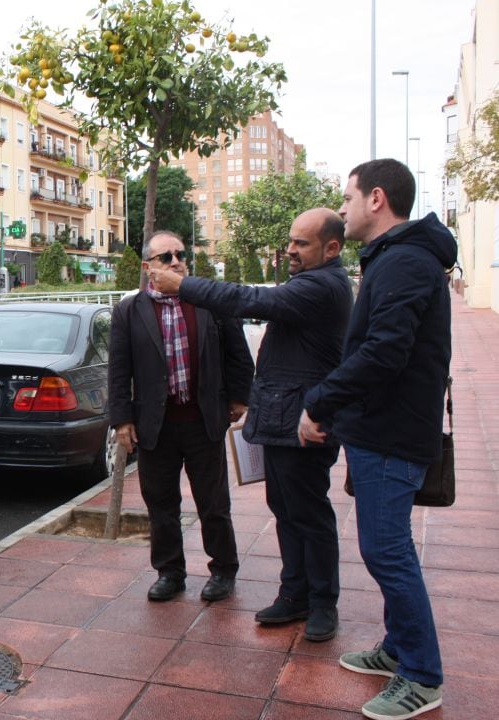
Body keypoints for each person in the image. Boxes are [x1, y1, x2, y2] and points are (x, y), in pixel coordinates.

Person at [148, 208, 352, 643]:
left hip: (304, 421)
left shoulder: (324, 285)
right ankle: (294, 594)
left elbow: (250, 300)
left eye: (301, 244)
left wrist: (183, 285)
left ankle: (322, 605)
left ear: (331, 248)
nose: (290, 250)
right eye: (291, 240)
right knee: (286, 511)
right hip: (281, 419)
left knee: (309, 515)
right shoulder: (308, 281)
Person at [298, 159, 456, 720]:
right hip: (380, 429)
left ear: (376, 199)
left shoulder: (406, 261)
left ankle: (421, 675)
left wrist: (320, 401)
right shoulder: (398, 258)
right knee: (384, 548)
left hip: (392, 433)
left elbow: (384, 352)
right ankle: (397, 648)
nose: (341, 208)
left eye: (347, 197)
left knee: (387, 552)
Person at [108, 230, 254, 603]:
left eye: (180, 254)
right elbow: (119, 369)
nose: (176, 261)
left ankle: (223, 570)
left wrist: (239, 397)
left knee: (213, 503)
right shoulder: (130, 310)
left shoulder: (209, 303)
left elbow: (238, 352)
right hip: (154, 425)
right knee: (161, 504)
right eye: (166, 257)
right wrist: (122, 420)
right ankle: (169, 573)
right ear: (147, 267)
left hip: (203, 419)